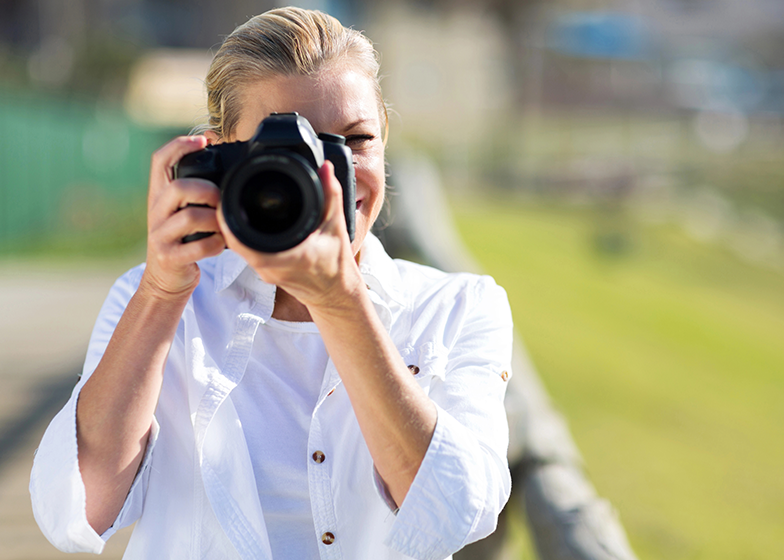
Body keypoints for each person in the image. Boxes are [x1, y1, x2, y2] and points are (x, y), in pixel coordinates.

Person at [29, 7, 513, 560]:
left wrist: (339, 302)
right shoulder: (153, 298)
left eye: (355, 141)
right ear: (220, 159)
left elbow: (458, 515)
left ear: (385, 138)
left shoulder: (457, 307)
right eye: (290, 154)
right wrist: (162, 294)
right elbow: (74, 514)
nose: (331, 177)